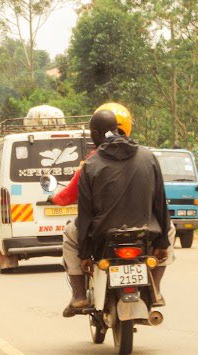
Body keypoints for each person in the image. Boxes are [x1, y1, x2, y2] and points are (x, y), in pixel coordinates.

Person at [67, 108, 171, 310]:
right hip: (146, 232)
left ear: (95, 134)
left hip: (102, 236)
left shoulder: (90, 165)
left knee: (69, 234)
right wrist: (163, 242)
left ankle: (79, 295)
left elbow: (85, 213)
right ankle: (155, 289)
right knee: (171, 228)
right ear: (117, 129)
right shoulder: (148, 157)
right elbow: (160, 202)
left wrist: (85, 254)